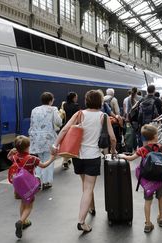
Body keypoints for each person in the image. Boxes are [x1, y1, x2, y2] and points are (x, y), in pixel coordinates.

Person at [52, 90, 117, 233]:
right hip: (92, 156)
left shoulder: (79, 114)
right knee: (88, 188)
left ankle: (91, 207)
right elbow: (112, 138)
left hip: (77, 156)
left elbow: (64, 130)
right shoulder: (103, 116)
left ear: (86, 100)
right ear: (100, 101)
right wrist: (113, 150)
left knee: (85, 185)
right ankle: (81, 221)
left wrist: (55, 145)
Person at [119, 124, 162, 233]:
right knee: (160, 198)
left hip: (148, 180)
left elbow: (131, 158)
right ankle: (161, 218)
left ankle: (147, 223)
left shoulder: (143, 149)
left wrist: (122, 156)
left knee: (148, 201)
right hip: (160, 179)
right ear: (155, 136)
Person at [7, 136, 56, 239]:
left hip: (18, 185)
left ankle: (23, 222)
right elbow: (43, 165)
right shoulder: (32, 159)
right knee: (29, 205)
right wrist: (52, 158)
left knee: (22, 203)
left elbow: (9, 156)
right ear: (28, 147)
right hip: (28, 186)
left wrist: (12, 151)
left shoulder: (15, 157)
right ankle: (20, 222)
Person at [29, 92, 62, 190]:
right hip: (48, 139)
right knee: (49, 159)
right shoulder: (53, 109)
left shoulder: (34, 110)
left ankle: (37, 179)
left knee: (38, 160)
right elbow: (58, 122)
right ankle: (47, 182)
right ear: (51, 100)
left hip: (36, 138)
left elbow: (32, 123)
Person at [61, 92, 80, 169]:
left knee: (66, 143)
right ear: (73, 98)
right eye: (76, 97)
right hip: (73, 127)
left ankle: (66, 159)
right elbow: (78, 117)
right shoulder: (76, 106)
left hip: (65, 126)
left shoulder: (64, 105)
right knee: (71, 145)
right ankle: (65, 161)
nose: (77, 98)